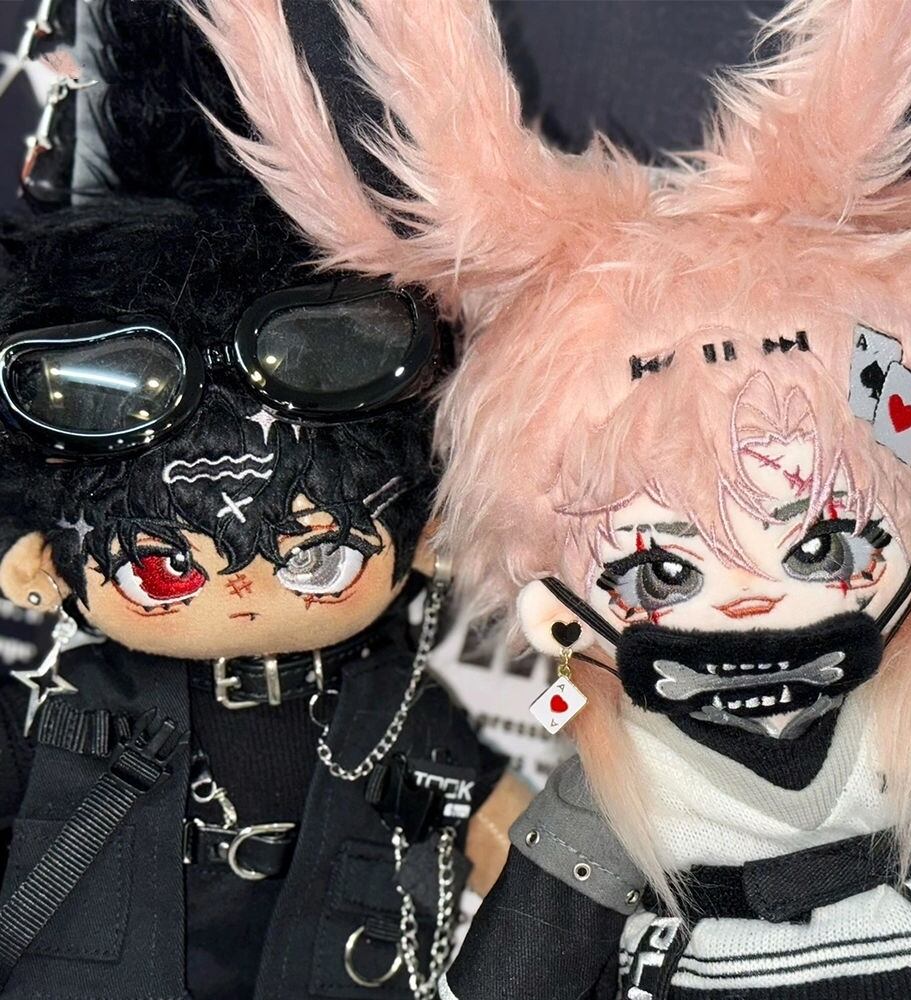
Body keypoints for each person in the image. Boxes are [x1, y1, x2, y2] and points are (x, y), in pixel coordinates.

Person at [192, 0, 911, 995]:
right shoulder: (620, 785)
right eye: (660, 569)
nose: (750, 600)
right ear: (554, 599)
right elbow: (524, 959)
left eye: (821, 547)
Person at [0, 3, 523, 997]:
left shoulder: (412, 696)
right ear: (39, 562)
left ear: (425, 539)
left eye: (316, 556)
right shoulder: (59, 705)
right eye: (163, 567)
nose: (240, 594)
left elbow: (515, 799)